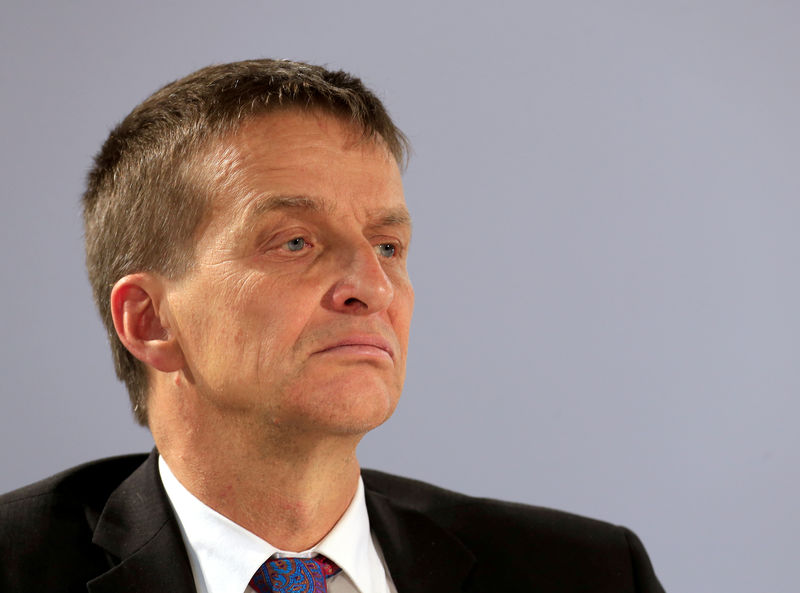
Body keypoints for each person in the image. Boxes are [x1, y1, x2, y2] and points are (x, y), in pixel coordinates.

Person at [0, 59, 665, 592]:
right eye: (295, 242)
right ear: (150, 321)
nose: (373, 288)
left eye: (387, 247)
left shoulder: (590, 573)